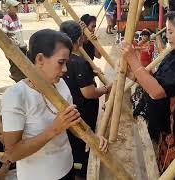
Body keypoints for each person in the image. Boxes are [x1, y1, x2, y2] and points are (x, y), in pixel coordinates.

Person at [0, 29, 108, 180]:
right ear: (40, 59)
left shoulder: (61, 84)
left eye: (66, 63)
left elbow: (73, 125)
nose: (65, 69)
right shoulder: (16, 96)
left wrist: (92, 137)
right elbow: (12, 153)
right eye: (61, 62)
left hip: (67, 168)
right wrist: (54, 129)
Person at [123, 5, 175, 142]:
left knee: (172, 161)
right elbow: (156, 81)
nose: (167, 36)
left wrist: (133, 61)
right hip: (164, 123)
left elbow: (157, 92)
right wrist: (131, 74)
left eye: (171, 32)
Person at [60, 20, 111, 178]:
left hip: (70, 108)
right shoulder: (78, 62)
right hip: (82, 111)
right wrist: (106, 89)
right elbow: (88, 93)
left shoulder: (64, 58)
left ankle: (77, 168)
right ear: (79, 39)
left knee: (74, 143)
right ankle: (82, 172)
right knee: (83, 144)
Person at [2, 0, 26, 82]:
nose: (17, 8)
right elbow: (4, 35)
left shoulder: (16, 16)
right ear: (9, 8)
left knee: (23, 63)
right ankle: (16, 77)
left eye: (17, 6)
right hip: (13, 46)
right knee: (15, 64)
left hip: (21, 44)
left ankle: (21, 77)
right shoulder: (6, 18)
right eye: (15, 7)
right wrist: (6, 50)